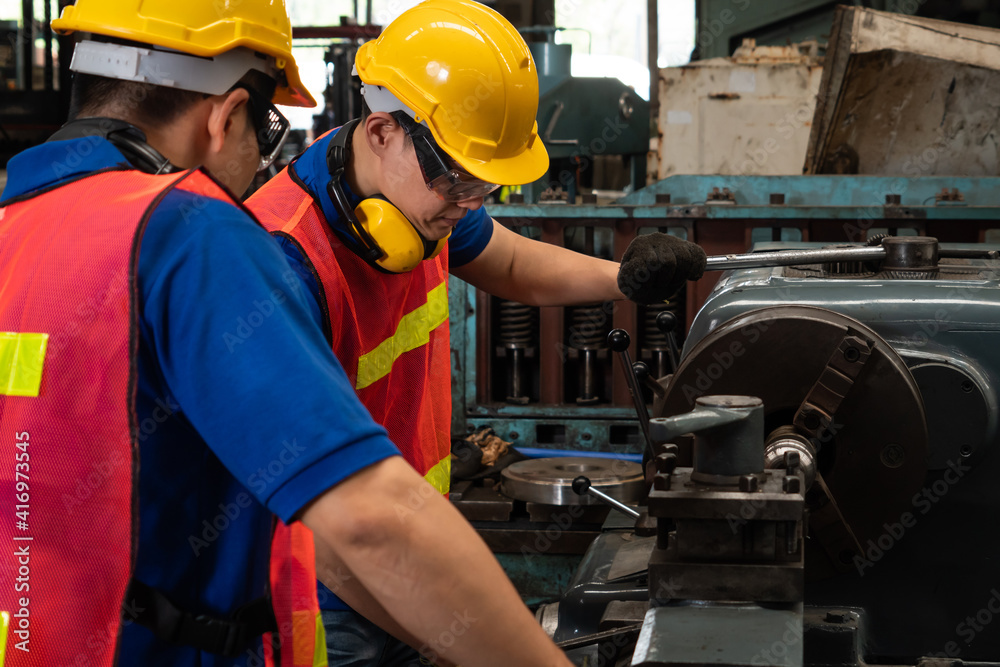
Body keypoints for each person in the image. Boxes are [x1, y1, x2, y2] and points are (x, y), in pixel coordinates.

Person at [0, 1, 578, 665]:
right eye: (268, 129)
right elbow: (367, 520)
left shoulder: (15, 230)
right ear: (227, 115)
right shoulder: (190, 237)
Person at [245, 0, 707, 664]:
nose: (467, 202)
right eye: (457, 179)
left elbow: (515, 263)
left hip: (410, 550)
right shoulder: (281, 261)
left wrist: (625, 277)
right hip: (332, 599)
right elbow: (329, 526)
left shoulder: (416, 197)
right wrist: (446, 633)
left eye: (483, 185)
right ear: (381, 132)